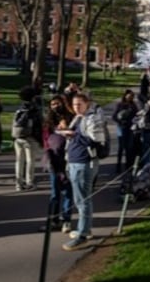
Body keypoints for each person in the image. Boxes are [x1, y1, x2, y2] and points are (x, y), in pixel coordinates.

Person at [61, 93, 105, 251]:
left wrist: (74, 135)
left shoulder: (92, 118)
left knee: (83, 199)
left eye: (79, 104)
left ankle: (83, 234)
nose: (76, 107)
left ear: (87, 104)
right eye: (74, 104)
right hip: (74, 161)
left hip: (84, 163)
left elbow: (97, 140)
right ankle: (84, 228)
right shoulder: (78, 118)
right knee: (79, 199)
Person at [41, 95, 73, 234]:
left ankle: (66, 220)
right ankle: (54, 220)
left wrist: (67, 128)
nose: (55, 106)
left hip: (68, 161)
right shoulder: (48, 123)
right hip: (53, 161)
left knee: (68, 192)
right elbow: (45, 141)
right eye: (53, 104)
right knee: (55, 193)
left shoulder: (72, 119)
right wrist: (48, 157)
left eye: (58, 103)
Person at [12, 85, 43, 191]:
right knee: (30, 161)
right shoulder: (35, 109)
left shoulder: (19, 109)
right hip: (31, 137)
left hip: (18, 136)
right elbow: (38, 124)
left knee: (19, 161)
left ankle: (18, 183)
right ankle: (30, 182)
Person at [112, 90, 138, 175]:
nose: (130, 98)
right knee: (121, 147)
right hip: (121, 127)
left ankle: (128, 165)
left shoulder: (133, 105)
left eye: (132, 96)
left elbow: (136, 115)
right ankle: (118, 166)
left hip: (130, 128)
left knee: (129, 147)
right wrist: (120, 122)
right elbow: (114, 116)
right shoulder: (120, 105)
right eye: (129, 96)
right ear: (125, 95)